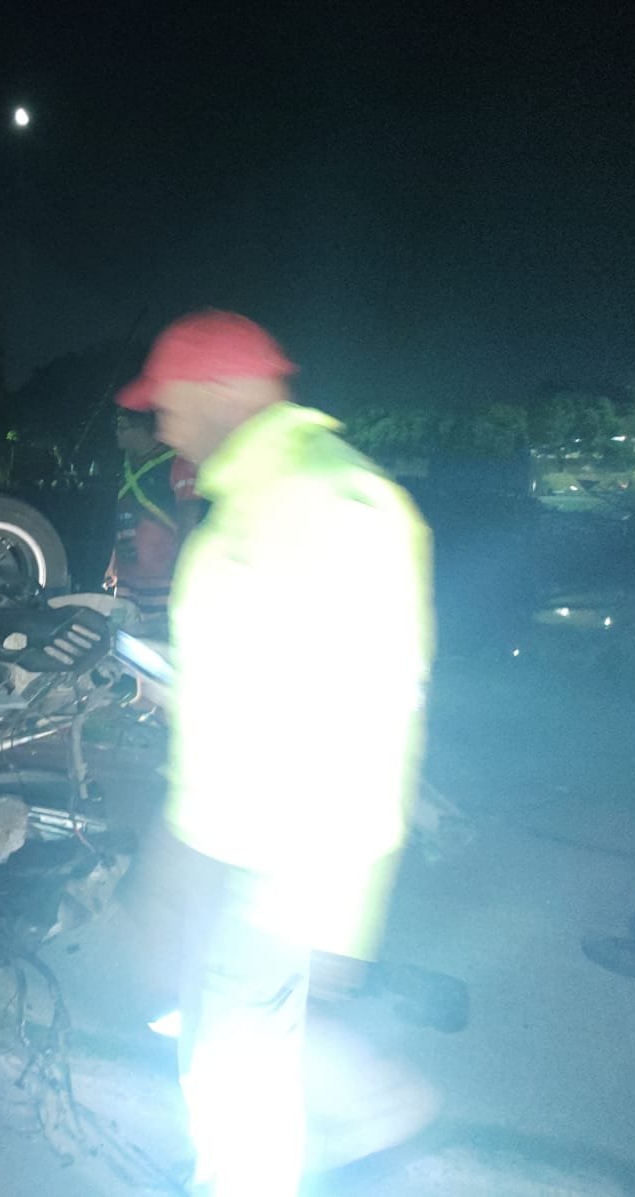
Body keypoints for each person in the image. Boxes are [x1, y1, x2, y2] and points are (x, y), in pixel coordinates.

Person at [116, 310, 433, 1195]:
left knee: (238, 1079)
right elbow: (259, 668)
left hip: (281, 859)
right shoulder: (250, 496)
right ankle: (361, 1118)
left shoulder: (328, 500)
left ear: (223, 390)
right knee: (224, 1054)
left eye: (168, 401)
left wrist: (336, 913)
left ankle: (355, 1126)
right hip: (219, 836)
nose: (161, 422)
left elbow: (371, 706)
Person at [103, 407, 200, 621]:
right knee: (126, 634)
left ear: (142, 429)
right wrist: (113, 563)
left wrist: (184, 569)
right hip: (128, 578)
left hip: (163, 578)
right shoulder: (127, 467)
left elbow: (189, 518)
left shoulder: (178, 464)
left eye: (122, 427)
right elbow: (123, 519)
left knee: (156, 637)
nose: (117, 433)